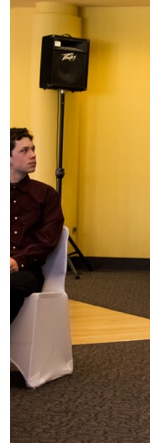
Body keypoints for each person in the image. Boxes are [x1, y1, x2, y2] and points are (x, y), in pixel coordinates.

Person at [10, 127, 65, 323]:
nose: (33, 155)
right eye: (24, 151)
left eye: (33, 149)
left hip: (27, 270)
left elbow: (47, 240)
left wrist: (18, 261)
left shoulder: (46, 195)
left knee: (10, 286)